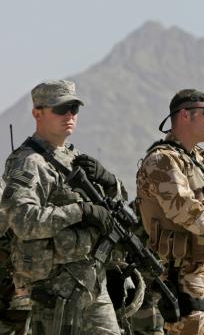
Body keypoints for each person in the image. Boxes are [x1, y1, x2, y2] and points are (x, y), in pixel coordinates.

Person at [0, 80, 126, 334]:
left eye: (74, 109)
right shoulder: (28, 162)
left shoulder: (73, 157)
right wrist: (81, 212)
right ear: (38, 113)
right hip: (56, 286)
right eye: (61, 109)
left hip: (91, 279)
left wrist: (111, 183)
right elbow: (24, 221)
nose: (69, 115)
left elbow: (112, 207)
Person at [136, 89, 204, 335]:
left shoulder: (200, 160)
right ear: (184, 115)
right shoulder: (162, 160)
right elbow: (184, 210)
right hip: (183, 276)